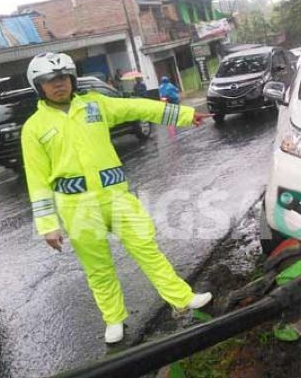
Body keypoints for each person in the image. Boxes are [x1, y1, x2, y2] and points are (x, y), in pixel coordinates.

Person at [21, 52, 213, 344]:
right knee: (98, 268)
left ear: (71, 79)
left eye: (62, 78)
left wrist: (184, 115)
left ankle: (182, 298)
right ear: (39, 86)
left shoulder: (95, 105)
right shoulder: (33, 128)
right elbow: (36, 179)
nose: (58, 84)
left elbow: (137, 107)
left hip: (115, 196)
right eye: (49, 80)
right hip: (76, 206)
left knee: (146, 248)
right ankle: (113, 319)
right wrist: (47, 224)